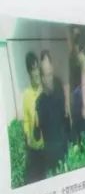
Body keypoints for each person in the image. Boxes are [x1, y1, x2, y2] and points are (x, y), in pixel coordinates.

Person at [36, 50, 69, 176]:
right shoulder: (40, 102)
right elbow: (38, 134)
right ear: (42, 78)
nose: (49, 79)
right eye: (46, 75)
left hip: (64, 148)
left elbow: (65, 117)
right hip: (51, 155)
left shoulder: (59, 88)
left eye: (50, 74)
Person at [21, 52, 46, 184]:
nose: (36, 73)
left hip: (47, 148)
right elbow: (26, 120)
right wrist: (27, 137)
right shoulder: (26, 95)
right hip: (34, 150)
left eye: (37, 68)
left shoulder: (46, 91)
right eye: (33, 69)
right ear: (29, 72)